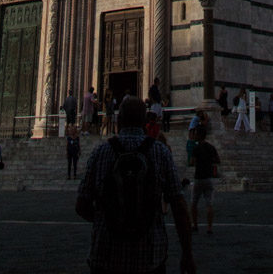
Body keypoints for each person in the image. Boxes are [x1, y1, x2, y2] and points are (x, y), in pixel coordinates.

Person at [76, 95, 195, 274]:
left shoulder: (100, 153)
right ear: (145, 120)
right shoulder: (160, 152)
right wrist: (187, 253)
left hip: (106, 257)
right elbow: (178, 206)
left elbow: (81, 205)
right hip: (148, 257)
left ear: (119, 119)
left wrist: (109, 217)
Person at [191, 124, 219, 235]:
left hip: (198, 177)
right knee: (209, 204)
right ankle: (209, 227)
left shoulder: (196, 148)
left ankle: (195, 225)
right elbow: (217, 160)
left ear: (198, 135)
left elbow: (192, 162)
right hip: (208, 177)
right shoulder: (211, 147)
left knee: (193, 203)